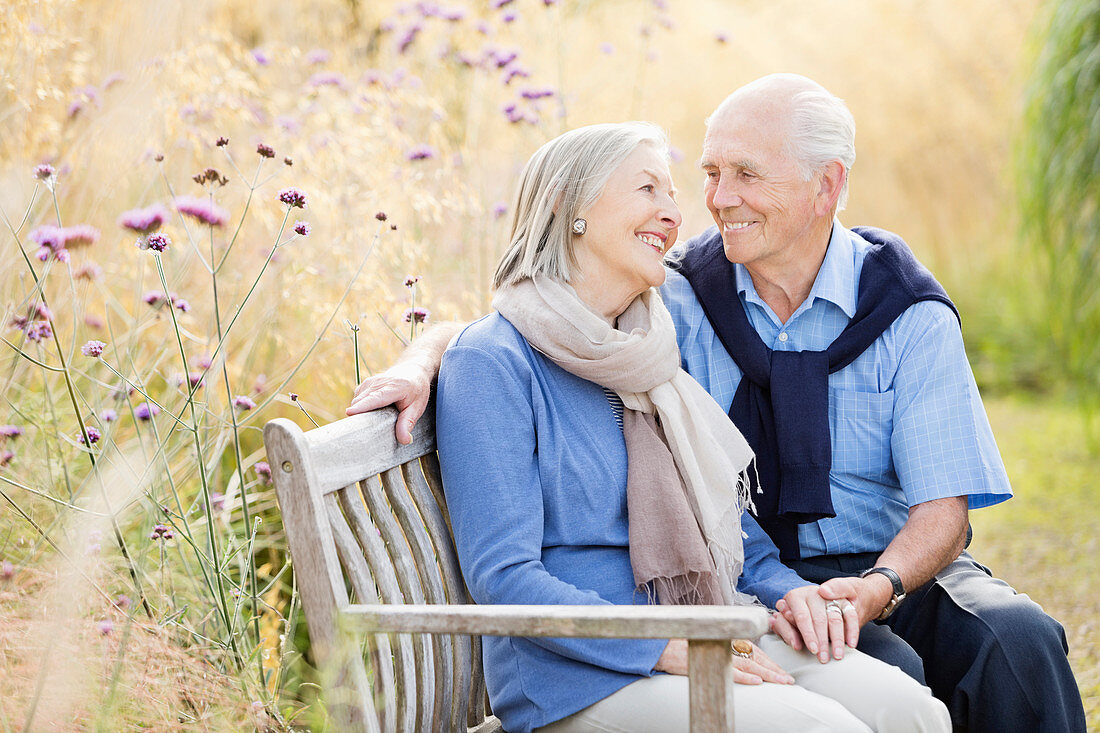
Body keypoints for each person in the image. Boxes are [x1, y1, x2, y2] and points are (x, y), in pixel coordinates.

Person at [348, 76, 1086, 733]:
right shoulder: (670, 303)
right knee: (864, 698)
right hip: (635, 637)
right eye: (690, 178)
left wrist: (845, 592)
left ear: (826, 188)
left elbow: (932, 514)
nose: (701, 204)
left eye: (742, 175)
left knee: (988, 658)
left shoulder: (654, 337)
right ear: (576, 211)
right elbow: (517, 322)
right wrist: (427, 353)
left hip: (849, 571)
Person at [431, 121, 948, 733]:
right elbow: (506, 579)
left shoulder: (644, 348)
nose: (673, 214)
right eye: (648, 189)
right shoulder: (494, 363)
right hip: (578, 680)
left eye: (673, 195)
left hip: (704, 624)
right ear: (571, 209)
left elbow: (720, 518)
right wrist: (663, 645)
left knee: (911, 712)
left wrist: (786, 591)